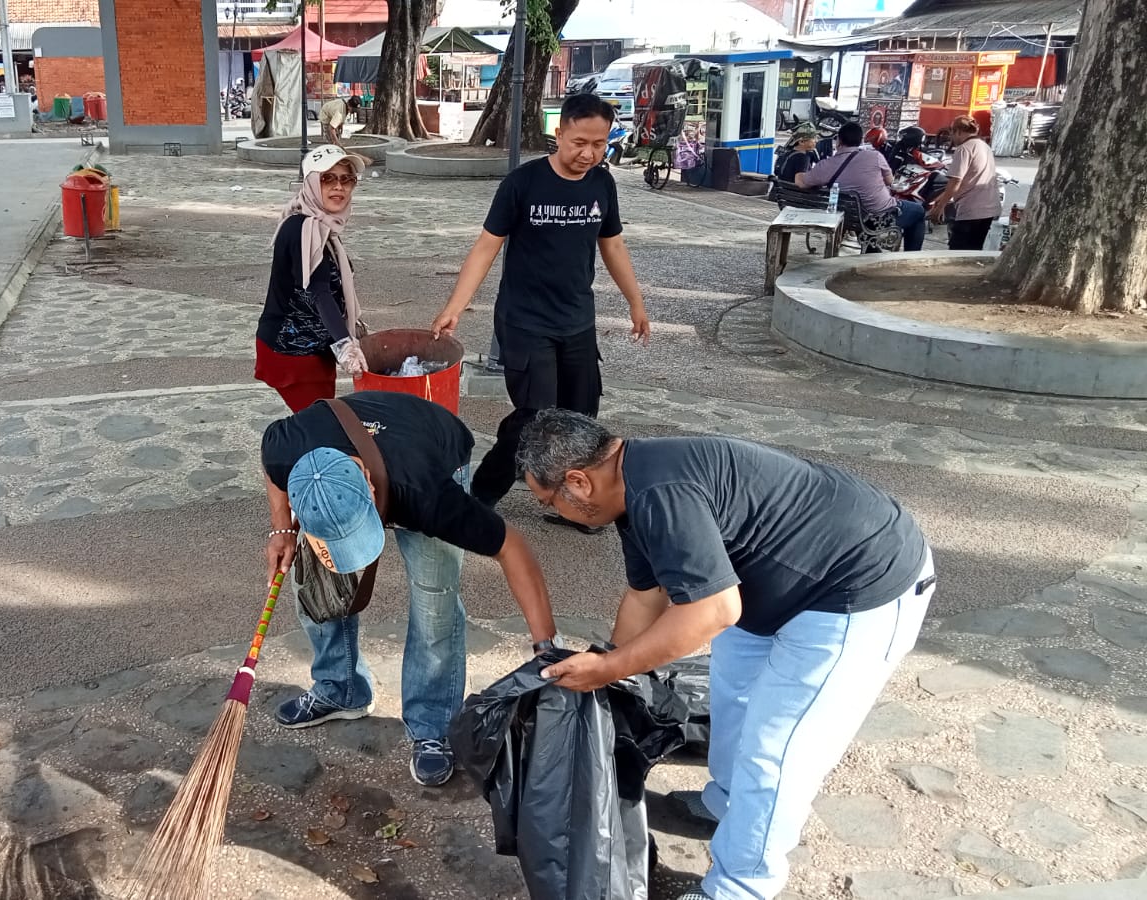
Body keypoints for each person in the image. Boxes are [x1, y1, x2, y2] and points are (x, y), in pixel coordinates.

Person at [516, 410, 936, 900]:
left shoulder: (660, 493)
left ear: (578, 482)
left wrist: (609, 668)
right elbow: (645, 598)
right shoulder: (632, 489)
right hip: (775, 587)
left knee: (776, 752)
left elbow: (713, 609)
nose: (554, 510)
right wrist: (608, 671)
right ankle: (729, 803)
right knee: (733, 698)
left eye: (549, 501)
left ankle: (739, 886)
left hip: (856, 589)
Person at [262, 391, 562, 786]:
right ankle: (340, 689)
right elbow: (271, 465)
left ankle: (433, 726)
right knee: (317, 588)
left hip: (433, 446)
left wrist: (546, 649)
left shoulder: (430, 496)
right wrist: (283, 529)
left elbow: (513, 548)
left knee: (434, 604)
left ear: (368, 486)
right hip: (360, 449)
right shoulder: (286, 448)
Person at [431, 91, 650, 519]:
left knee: (583, 420)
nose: (588, 153)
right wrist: (455, 305)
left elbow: (614, 245)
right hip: (525, 322)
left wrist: (635, 303)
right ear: (559, 133)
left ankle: (577, 504)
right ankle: (481, 494)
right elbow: (486, 247)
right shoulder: (523, 183)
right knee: (537, 419)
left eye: (599, 144)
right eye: (579, 142)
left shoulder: (602, 184)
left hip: (577, 322)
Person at [255, 144, 368, 412]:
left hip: (315, 349)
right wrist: (345, 345)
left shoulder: (322, 227)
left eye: (346, 179)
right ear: (311, 183)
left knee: (319, 428)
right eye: (327, 178)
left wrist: (351, 327)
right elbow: (319, 291)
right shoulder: (303, 229)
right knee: (321, 431)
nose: (338, 187)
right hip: (293, 353)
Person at [797, 121, 926, 252]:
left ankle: (872, 252)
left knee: (862, 211)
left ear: (839, 141)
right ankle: (911, 256)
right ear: (860, 141)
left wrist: (798, 171)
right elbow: (890, 181)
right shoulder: (874, 156)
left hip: (852, 218)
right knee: (919, 211)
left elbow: (801, 182)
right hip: (881, 216)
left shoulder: (826, 165)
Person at [928, 115, 1001, 250]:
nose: (951, 138)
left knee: (958, 252)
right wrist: (940, 199)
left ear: (958, 131)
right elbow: (969, 180)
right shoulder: (984, 146)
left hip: (971, 210)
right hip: (989, 208)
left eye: (952, 133)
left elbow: (955, 181)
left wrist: (940, 207)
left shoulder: (964, 149)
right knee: (974, 250)